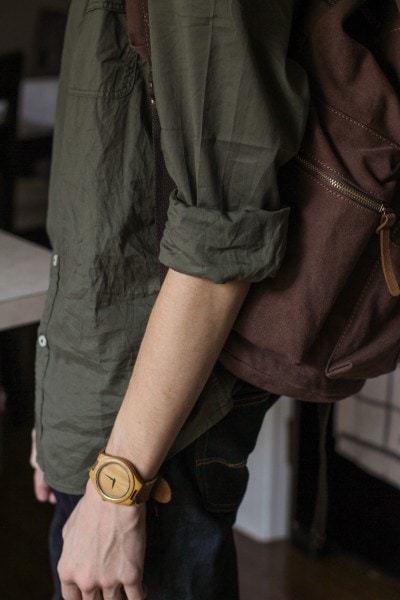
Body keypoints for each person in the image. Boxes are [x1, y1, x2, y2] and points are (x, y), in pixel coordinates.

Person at [30, 1, 308, 598]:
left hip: (152, 441)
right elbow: (102, 202)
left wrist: (118, 486)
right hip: (103, 404)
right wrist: (58, 405)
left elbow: (221, 235)